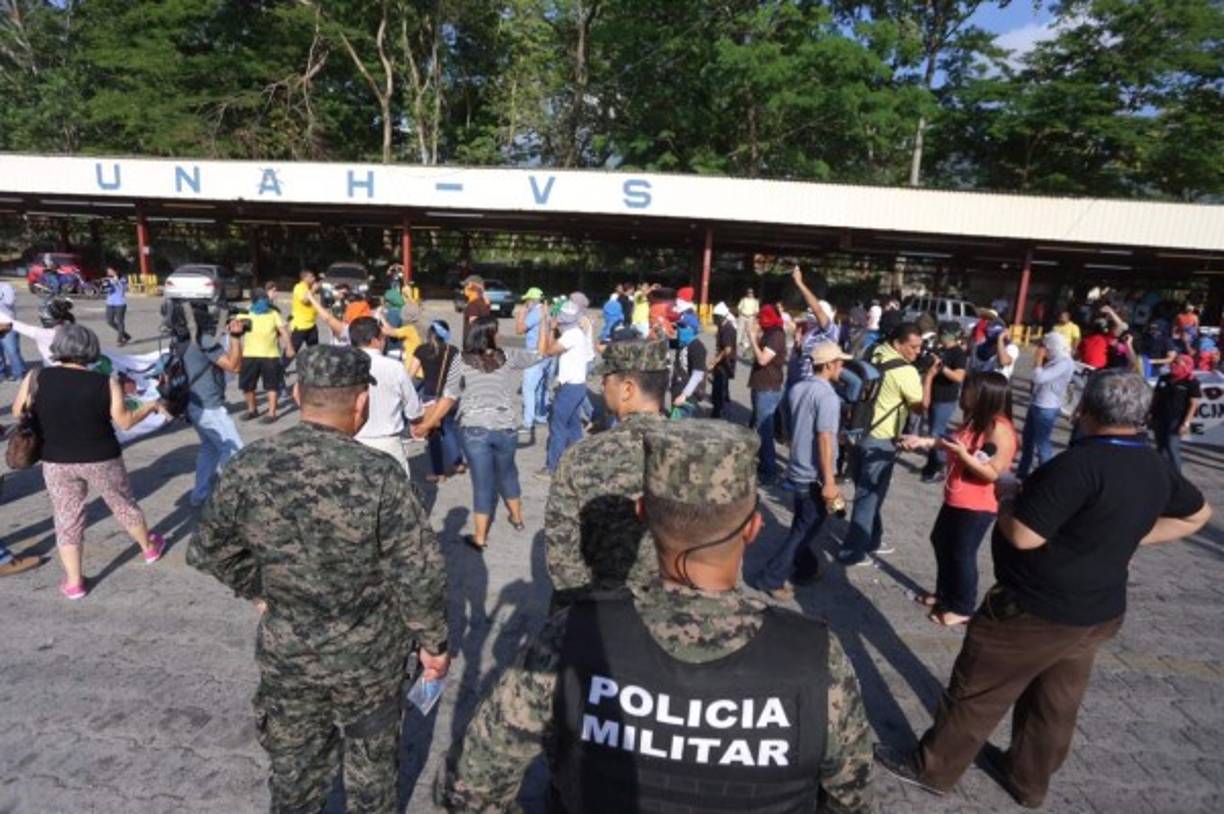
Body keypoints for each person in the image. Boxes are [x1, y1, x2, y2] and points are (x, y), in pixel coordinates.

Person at [438, 420, 874, 813]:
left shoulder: (571, 637)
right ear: (753, 528)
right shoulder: (816, 658)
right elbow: (851, 801)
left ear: (643, 514)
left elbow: (467, 790)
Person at [877, 370, 1211, 808]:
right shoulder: (1153, 463)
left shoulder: (1078, 465)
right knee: (1055, 703)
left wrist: (1008, 493)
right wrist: (1122, 536)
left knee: (978, 692)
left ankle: (932, 768)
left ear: (1086, 411)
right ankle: (1028, 780)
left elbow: (1023, 536)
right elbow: (1197, 515)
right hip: (1098, 611)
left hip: (1034, 610)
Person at [187, 344, 450, 813]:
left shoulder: (250, 465)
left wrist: (259, 589)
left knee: (296, 777)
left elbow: (209, 549)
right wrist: (433, 644)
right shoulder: (382, 475)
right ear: (362, 404)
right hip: (370, 659)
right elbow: (418, 574)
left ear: (296, 392)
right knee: (371, 779)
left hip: (291, 652)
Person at [12, 325, 168, 600]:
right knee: (122, 503)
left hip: (56, 459)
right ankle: (149, 548)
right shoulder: (104, 382)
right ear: (90, 349)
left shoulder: (36, 377)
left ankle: (74, 583)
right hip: (101, 456)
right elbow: (125, 421)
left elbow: (17, 412)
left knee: (67, 516)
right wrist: (151, 406)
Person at [545, 335, 669, 608]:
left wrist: (581, 619)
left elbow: (562, 556)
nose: (601, 386)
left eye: (606, 379)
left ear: (627, 388)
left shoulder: (582, 457)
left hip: (602, 616)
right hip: (674, 619)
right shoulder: (698, 454)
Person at [901, 372, 1017, 626]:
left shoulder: (1000, 429)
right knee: (941, 542)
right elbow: (952, 443)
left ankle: (963, 606)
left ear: (987, 394)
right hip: (956, 497)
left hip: (978, 504)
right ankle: (944, 593)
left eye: (969, 390)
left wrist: (964, 457)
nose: (964, 394)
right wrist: (924, 441)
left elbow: (991, 473)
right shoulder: (976, 419)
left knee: (962, 553)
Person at [414, 315, 539, 550]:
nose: (500, 335)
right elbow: (540, 355)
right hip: (505, 427)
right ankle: (518, 519)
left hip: (474, 429)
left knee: (483, 484)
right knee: (508, 474)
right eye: (496, 331)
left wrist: (428, 423)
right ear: (489, 335)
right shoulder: (507, 357)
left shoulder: (460, 361)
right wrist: (546, 326)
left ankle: (480, 537)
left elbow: (449, 397)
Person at [838, 323, 936, 566]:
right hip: (882, 439)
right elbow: (920, 407)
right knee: (868, 496)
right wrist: (929, 378)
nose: (917, 352)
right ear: (898, 343)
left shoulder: (874, 350)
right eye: (912, 347)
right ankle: (852, 552)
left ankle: (873, 539)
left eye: (920, 347)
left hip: (859, 432)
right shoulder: (907, 372)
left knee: (872, 492)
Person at [758, 342, 849, 599]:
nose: (842, 366)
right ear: (829, 365)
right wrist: (830, 481)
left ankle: (806, 567)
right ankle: (771, 577)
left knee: (804, 522)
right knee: (805, 528)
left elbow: (789, 422)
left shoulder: (797, 388)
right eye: (840, 362)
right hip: (815, 475)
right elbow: (822, 437)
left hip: (797, 467)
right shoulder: (828, 397)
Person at [164, 301, 246, 507]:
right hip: (210, 407)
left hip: (193, 404)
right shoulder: (203, 340)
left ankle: (199, 495)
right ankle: (233, 500)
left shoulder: (180, 340)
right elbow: (234, 366)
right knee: (234, 451)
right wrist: (236, 338)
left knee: (209, 449)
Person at [349, 316, 422, 475]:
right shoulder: (394, 367)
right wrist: (417, 422)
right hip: (388, 442)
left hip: (353, 441)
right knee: (397, 495)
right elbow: (413, 408)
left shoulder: (343, 366)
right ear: (375, 340)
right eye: (382, 337)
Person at [540, 301, 592, 474]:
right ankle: (576, 464)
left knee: (558, 427)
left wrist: (550, 328)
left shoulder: (570, 336)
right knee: (574, 428)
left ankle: (552, 467)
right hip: (579, 385)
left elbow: (548, 350)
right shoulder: (578, 333)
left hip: (569, 386)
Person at [410, 319, 464, 482]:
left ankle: (439, 473)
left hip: (430, 396)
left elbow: (411, 374)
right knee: (449, 428)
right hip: (449, 396)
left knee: (433, 434)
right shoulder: (453, 351)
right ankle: (458, 463)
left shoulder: (422, 350)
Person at [1016, 332, 1076, 479]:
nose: (1043, 350)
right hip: (1037, 403)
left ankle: (1047, 476)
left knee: (1042, 444)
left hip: (1047, 407)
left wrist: (1038, 360)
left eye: (1045, 347)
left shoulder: (1064, 362)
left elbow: (1039, 378)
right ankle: (1022, 474)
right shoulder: (1055, 360)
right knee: (1027, 441)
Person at [237, 291, 295, 423]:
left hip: (270, 356)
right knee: (247, 386)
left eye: (265, 301)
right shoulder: (245, 313)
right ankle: (252, 410)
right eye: (260, 301)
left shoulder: (273, 313)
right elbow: (236, 332)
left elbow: (283, 332)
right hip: (249, 355)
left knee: (271, 386)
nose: (263, 304)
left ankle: (271, 413)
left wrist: (289, 347)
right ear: (253, 301)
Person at [920, 324, 967, 483]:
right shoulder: (942, 350)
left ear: (952, 336)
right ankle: (932, 463)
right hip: (934, 396)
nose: (940, 337)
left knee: (936, 432)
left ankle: (939, 466)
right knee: (936, 430)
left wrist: (942, 368)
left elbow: (959, 377)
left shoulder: (959, 354)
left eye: (943, 334)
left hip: (946, 399)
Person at [747, 303, 787, 483]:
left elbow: (763, 359)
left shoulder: (776, 334)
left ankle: (769, 470)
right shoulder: (770, 332)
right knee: (758, 425)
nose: (758, 320)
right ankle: (763, 464)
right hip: (761, 385)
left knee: (765, 428)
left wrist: (752, 338)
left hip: (768, 388)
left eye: (760, 317)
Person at [1149, 354, 1200, 474]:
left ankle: (1177, 477)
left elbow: (1194, 404)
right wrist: (1150, 414)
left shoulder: (1191, 381)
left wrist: (1186, 423)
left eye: (1177, 363)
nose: (1172, 365)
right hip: (1160, 417)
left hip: (1177, 419)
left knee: (1172, 446)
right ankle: (1162, 474)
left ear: (1185, 365)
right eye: (1173, 362)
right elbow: (1155, 398)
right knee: (1161, 447)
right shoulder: (1164, 378)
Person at [516, 287, 550, 435]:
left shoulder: (535, 312)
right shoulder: (547, 310)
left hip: (534, 352)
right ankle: (540, 416)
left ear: (532, 300)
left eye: (527, 301)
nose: (525, 304)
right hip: (547, 353)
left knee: (528, 388)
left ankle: (527, 422)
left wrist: (521, 315)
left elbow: (520, 329)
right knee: (541, 386)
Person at [668, 311, 706, 418]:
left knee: (681, 426)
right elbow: (666, 341)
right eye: (678, 327)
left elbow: (697, 375)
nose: (679, 330)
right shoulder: (682, 343)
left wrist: (684, 395)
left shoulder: (697, 347)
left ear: (691, 329)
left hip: (687, 395)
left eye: (682, 327)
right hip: (677, 389)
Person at [709, 301, 737, 419]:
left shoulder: (728, 328)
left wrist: (715, 360)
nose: (713, 319)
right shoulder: (722, 327)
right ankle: (718, 409)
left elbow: (728, 349)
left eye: (715, 317)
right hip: (721, 362)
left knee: (720, 388)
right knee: (718, 386)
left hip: (725, 362)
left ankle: (718, 412)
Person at [0, 280, 27, 381]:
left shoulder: (5, 287)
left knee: (12, 350)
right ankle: (1, 373)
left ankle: (18, 373)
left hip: (7, 324)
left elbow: (9, 302)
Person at [289, 269, 320, 352]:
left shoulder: (308, 288)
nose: (314, 278)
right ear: (305, 278)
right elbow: (305, 300)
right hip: (301, 326)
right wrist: (313, 290)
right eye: (311, 277)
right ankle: (281, 364)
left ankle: (314, 364)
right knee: (291, 351)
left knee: (315, 351)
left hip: (311, 325)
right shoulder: (299, 287)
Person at [103, 266, 131, 346]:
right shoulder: (107, 279)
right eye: (108, 271)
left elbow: (124, 289)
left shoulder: (123, 279)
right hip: (110, 303)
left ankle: (120, 339)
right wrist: (105, 285)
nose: (109, 273)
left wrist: (117, 282)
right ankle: (125, 335)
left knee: (120, 322)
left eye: (111, 271)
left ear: (115, 271)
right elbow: (105, 289)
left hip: (120, 303)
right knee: (110, 321)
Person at [460, 274, 491, 344]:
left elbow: (474, 323)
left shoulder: (473, 304)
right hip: (482, 342)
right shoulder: (484, 301)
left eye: (466, 286)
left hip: (473, 345)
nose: (464, 289)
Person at [736, 287, 759, 354]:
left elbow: (756, 310)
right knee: (740, 329)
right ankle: (738, 341)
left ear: (753, 293)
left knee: (748, 330)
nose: (750, 294)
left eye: (751, 293)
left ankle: (745, 342)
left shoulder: (755, 301)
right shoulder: (743, 300)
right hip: (743, 315)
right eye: (749, 293)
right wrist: (741, 314)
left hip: (750, 316)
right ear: (747, 293)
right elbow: (739, 308)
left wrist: (754, 317)